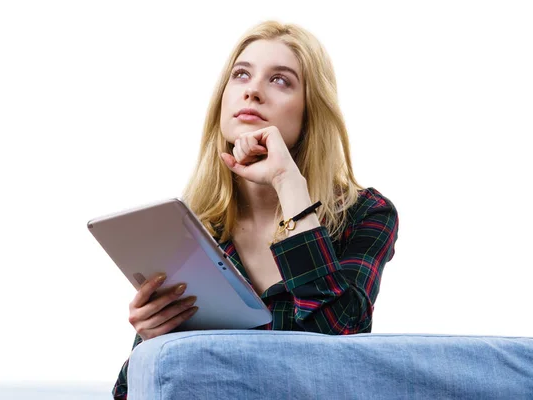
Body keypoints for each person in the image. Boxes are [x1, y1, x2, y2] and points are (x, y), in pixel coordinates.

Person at [112, 20, 399, 399]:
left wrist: (288, 182)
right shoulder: (194, 230)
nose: (253, 91)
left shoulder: (366, 213)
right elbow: (129, 393)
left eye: (280, 80)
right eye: (241, 75)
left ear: (311, 111)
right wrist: (150, 342)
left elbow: (340, 340)